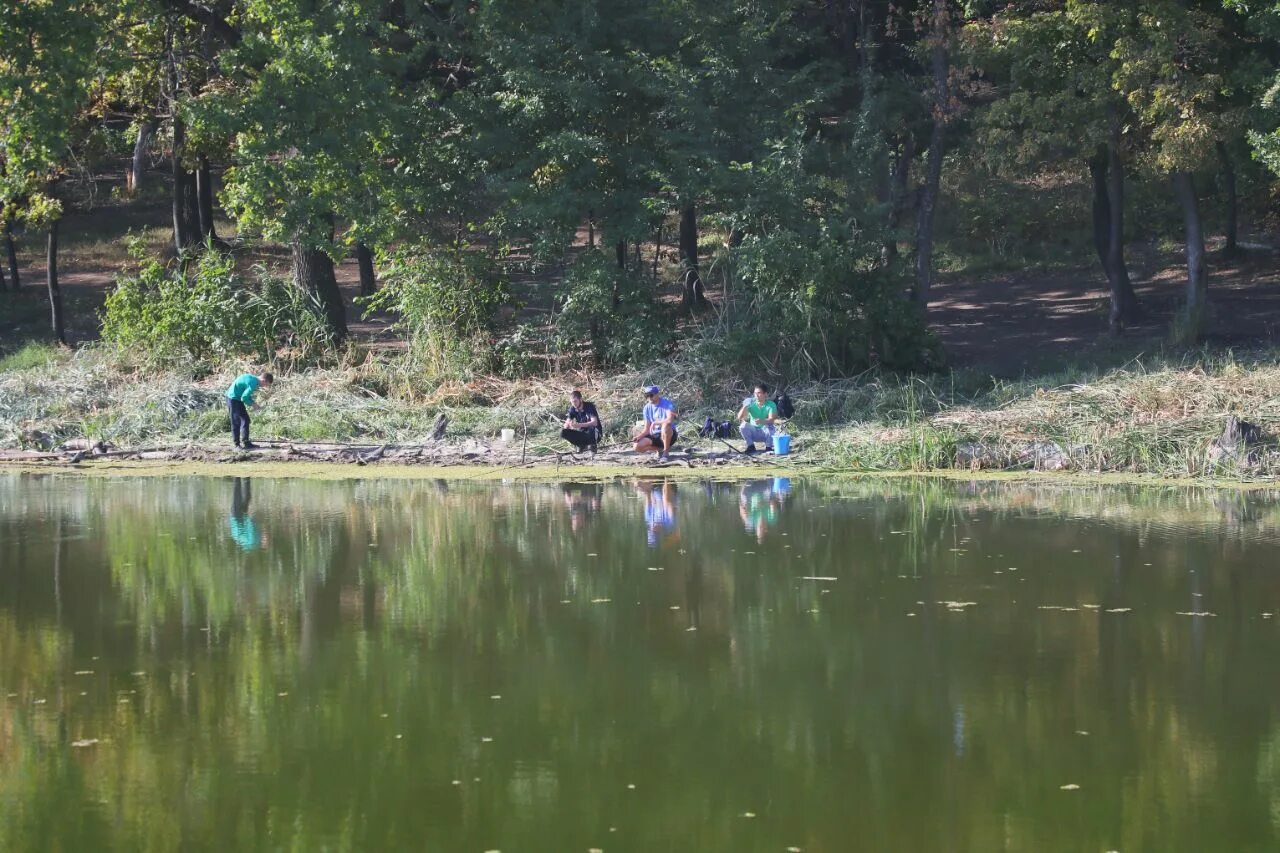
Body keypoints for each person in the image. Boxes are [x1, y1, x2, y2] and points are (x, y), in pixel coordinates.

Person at [225, 370, 273, 449]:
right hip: (232, 398)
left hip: (237, 398)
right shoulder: (253, 382)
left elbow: (245, 394)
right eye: (266, 385)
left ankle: (246, 443)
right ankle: (236, 445)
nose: (264, 387)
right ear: (264, 380)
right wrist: (253, 404)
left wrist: (253, 403)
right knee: (236, 421)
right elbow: (244, 397)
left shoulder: (253, 379)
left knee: (245, 420)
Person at [633, 385, 678, 461]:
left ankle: (666, 453)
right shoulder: (646, 408)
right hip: (655, 435)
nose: (649, 398)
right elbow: (646, 429)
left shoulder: (667, 404)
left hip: (669, 434)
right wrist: (639, 437)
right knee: (637, 447)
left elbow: (670, 420)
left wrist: (656, 423)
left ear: (657, 394)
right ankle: (660, 449)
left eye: (651, 395)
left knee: (665, 426)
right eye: (647, 396)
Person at [736, 382, 779, 453]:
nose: (756, 395)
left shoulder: (771, 404)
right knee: (743, 426)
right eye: (755, 393)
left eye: (759, 393)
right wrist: (744, 406)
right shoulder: (751, 403)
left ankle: (768, 447)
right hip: (754, 431)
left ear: (765, 394)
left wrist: (762, 421)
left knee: (770, 426)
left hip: (765, 432)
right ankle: (751, 446)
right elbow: (739, 417)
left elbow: (771, 419)